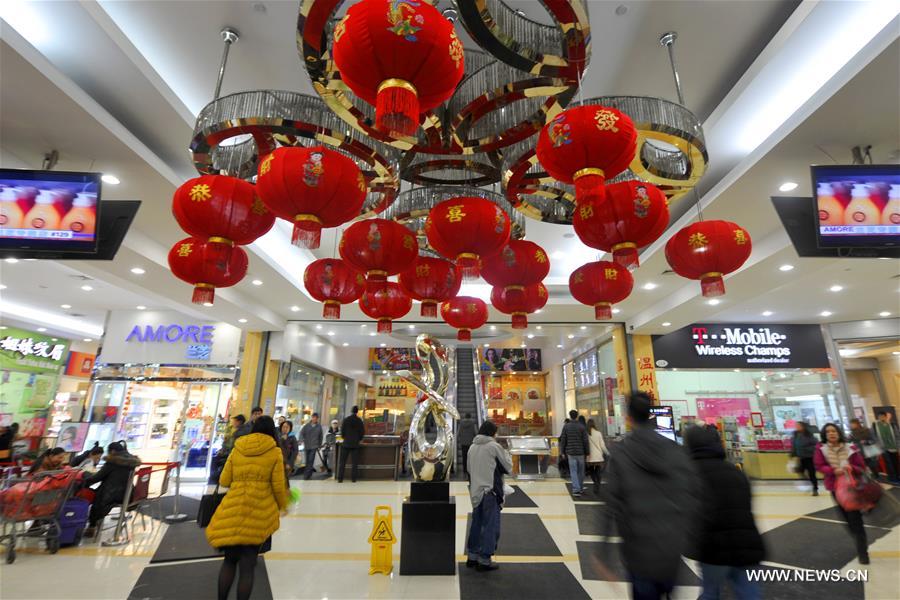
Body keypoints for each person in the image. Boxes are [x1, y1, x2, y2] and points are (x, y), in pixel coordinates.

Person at [607, 392, 699, 600]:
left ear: (628, 418)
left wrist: (602, 555)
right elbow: (692, 494)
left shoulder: (621, 452)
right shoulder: (674, 449)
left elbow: (610, 504)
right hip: (671, 547)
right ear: (650, 415)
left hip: (638, 549)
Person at [206, 416, 287, 600]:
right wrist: (283, 505)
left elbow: (224, 480)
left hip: (233, 510)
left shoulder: (238, 448)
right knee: (247, 568)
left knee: (229, 562)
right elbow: (278, 486)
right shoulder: (274, 452)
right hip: (257, 514)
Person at [684, 425, 765, 600]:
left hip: (714, 549)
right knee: (749, 594)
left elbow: (692, 512)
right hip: (747, 546)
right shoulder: (736, 472)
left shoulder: (691, 473)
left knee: (710, 593)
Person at [813, 422, 869, 564]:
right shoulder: (821, 449)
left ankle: (863, 552)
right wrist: (833, 471)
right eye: (828, 432)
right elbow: (819, 465)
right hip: (835, 488)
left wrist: (851, 467)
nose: (831, 434)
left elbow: (861, 466)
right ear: (824, 435)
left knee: (855, 519)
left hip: (852, 488)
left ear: (839, 433)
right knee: (847, 519)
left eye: (834, 431)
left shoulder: (850, 448)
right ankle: (858, 538)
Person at [465, 420, 512, 572]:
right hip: (490, 492)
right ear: (492, 432)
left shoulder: (472, 447)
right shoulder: (494, 446)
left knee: (477, 524)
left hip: (476, 491)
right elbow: (507, 467)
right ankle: (484, 560)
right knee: (491, 527)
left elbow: (469, 470)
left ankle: (472, 556)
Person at [82, 442, 142, 537]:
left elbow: (98, 477)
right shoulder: (132, 462)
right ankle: (95, 524)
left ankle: (92, 527)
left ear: (113, 451)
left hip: (110, 495)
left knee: (94, 499)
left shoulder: (113, 461)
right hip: (127, 495)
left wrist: (84, 479)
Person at [559, 410, 589, 496]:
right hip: (581, 452)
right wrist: (587, 452)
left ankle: (576, 489)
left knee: (573, 471)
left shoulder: (566, 427)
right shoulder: (582, 427)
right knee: (581, 471)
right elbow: (585, 441)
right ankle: (580, 487)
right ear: (576, 416)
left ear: (570, 416)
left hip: (571, 453)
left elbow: (563, 440)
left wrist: (562, 452)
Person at [790, 421, 819, 496]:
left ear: (803, 426)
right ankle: (808, 484)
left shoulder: (809, 435)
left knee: (812, 474)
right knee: (800, 471)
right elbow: (794, 446)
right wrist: (793, 453)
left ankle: (815, 489)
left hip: (809, 458)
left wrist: (806, 449)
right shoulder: (795, 435)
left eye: (799, 425)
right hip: (800, 458)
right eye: (796, 425)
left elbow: (816, 445)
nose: (797, 427)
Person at [338, 406, 365, 483]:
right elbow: (362, 432)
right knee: (354, 463)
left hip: (346, 444)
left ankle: (340, 478)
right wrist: (358, 439)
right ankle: (353, 479)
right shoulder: (359, 421)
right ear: (357, 412)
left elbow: (342, 431)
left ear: (351, 411)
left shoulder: (346, 420)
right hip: (355, 445)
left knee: (342, 462)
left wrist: (345, 438)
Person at [872, 411, 900, 483]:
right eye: (879, 416)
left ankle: (897, 476)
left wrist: (898, 446)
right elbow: (874, 437)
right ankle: (892, 478)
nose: (881, 418)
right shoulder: (875, 425)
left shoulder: (892, 424)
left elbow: (897, 436)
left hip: (894, 447)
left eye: (883, 416)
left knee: (895, 462)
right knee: (889, 463)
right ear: (878, 417)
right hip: (883, 448)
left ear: (885, 416)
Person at [586, 419, 608, 495]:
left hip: (590, 457)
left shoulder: (586, 434)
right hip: (598, 456)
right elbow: (602, 445)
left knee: (592, 471)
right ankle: (597, 484)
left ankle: (595, 482)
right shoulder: (598, 433)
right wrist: (607, 453)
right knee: (598, 471)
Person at [300, 413, 323, 480]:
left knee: (311, 460)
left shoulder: (319, 426)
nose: (314, 419)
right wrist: (301, 440)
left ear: (317, 419)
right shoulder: (307, 426)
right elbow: (302, 433)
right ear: (312, 418)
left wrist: (320, 445)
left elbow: (320, 436)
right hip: (307, 445)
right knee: (307, 460)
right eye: (313, 417)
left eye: (316, 418)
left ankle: (306, 475)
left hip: (314, 446)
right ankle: (309, 474)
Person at [457, 412, 478, 476]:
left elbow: (458, 433)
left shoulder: (461, 423)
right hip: (471, 443)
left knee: (464, 456)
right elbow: (475, 432)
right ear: (470, 417)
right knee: (471, 457)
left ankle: (464, 470)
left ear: (465, 417)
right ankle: (470, 469)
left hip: (463, 443)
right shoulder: (472, 423)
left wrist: (459, 440)